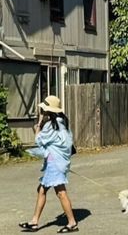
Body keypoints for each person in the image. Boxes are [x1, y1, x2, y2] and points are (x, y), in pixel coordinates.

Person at [19, 95, 79, 233]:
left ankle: (72, 222)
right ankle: (34, 221)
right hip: (58, 162)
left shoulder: (51, 125)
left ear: (48, 111)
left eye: (43, 110)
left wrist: (39, 124)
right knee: (41, 189)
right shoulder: (62, 122)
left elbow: (38, 140)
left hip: (55, 164)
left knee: (61, 193)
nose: (42, 111)